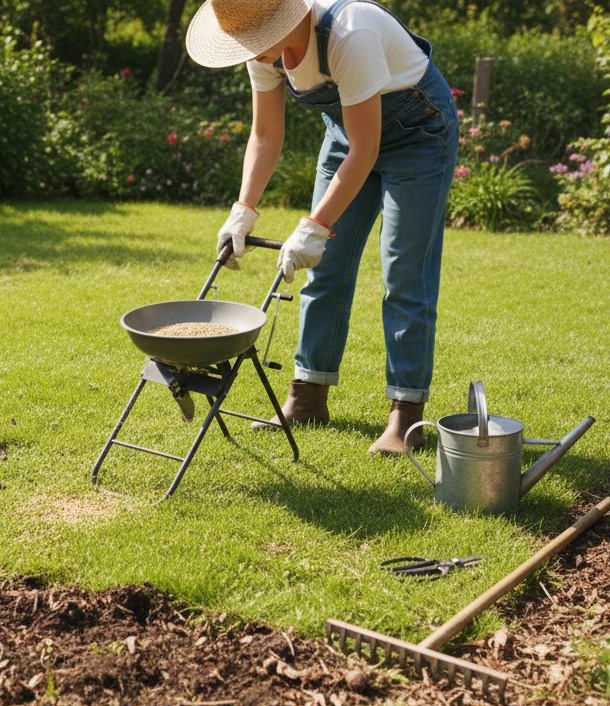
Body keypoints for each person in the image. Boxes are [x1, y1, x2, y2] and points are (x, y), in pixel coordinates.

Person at [185, 0, 457, 454]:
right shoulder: (263, 52)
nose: (248, 51)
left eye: (253, 40)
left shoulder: (351, 35)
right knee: (324, 268)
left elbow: (367, 149)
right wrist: (243, 208)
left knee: (405, 273)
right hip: (348, 138)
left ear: (282, 20)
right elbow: (266, 134)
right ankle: (307, 397)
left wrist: (314, 226)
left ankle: (406, 418)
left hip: (420, 135)